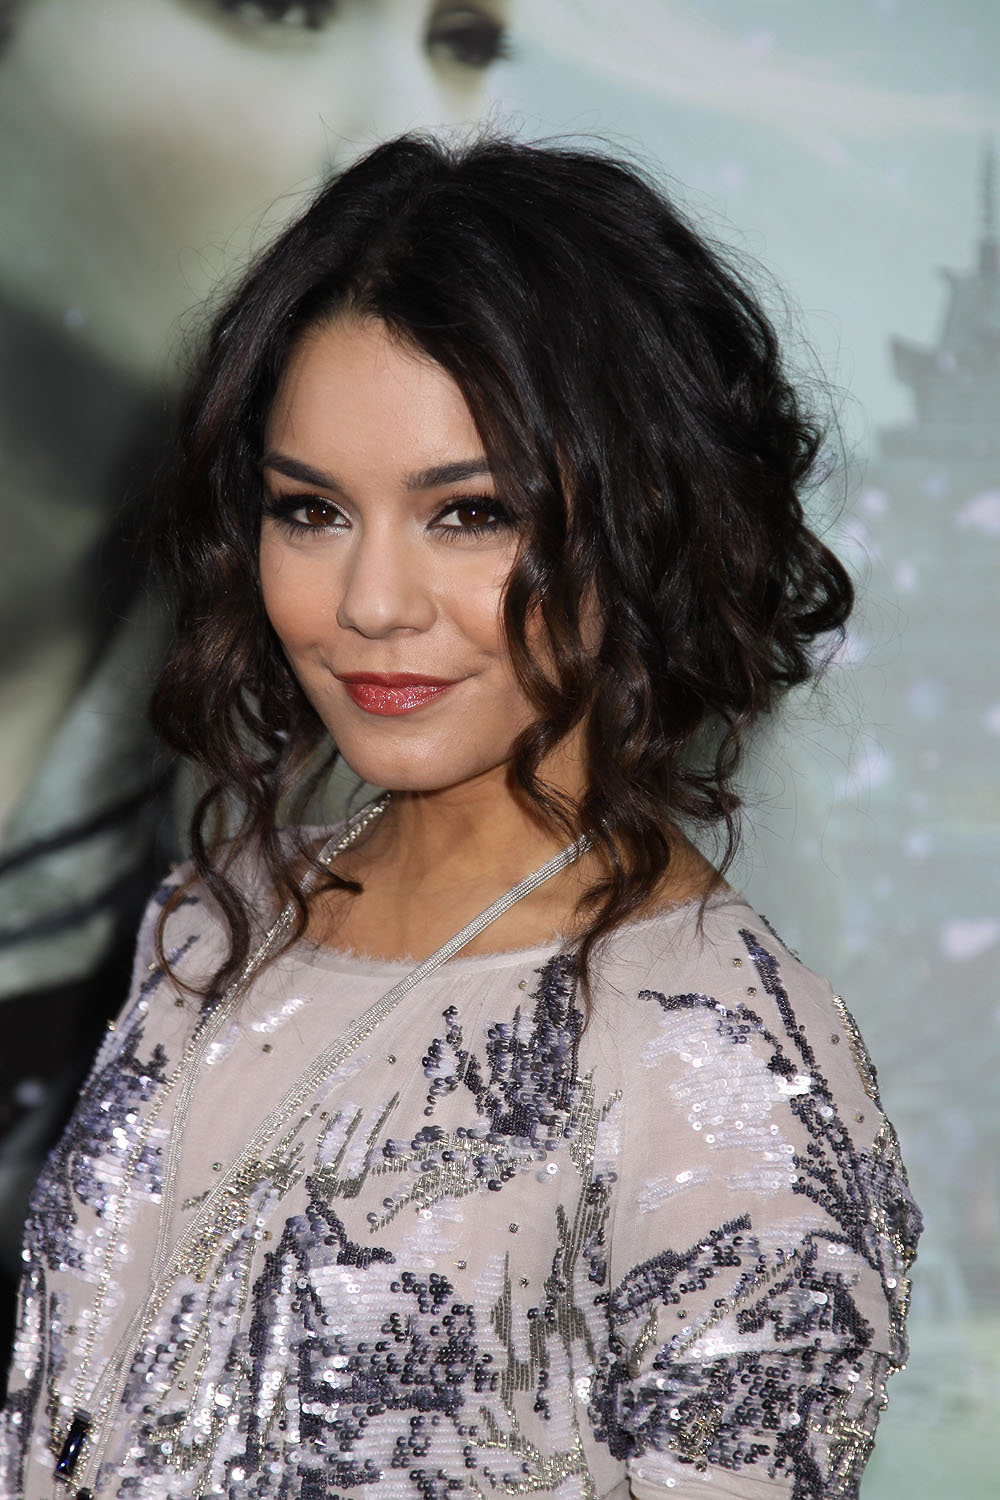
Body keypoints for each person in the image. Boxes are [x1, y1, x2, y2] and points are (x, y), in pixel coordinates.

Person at [0, 133, 921, 1500]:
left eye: (470, 513)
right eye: (311, 510)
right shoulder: (215, 917)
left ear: (643, 519)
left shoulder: (713, 1055)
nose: (370, 603)